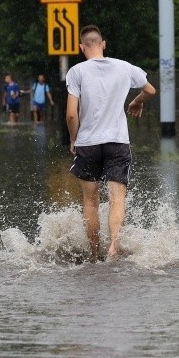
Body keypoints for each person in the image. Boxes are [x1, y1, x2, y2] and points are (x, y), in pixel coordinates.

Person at [66, 25, 157, 261]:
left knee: (91, 200)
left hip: (88, 143)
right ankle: (114, 247)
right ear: (103, 44)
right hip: (117, 141)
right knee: (117, 198)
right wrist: (137, 101)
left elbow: (71, 114)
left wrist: (73, 139)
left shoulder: (77, 71)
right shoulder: (124, 67)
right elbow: (150, 89)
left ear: (81, 47)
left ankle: (95, 253)